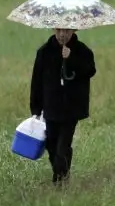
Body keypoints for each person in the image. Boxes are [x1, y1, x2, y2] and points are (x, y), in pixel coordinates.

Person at [30, 27, 96, 185]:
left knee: (61, 148)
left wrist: (71, 58)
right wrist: (35, 109)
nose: (62, 34)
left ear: (73, 30)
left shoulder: (83, 51)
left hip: (71, 109)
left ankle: (59, 182)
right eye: (59, 30)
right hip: (51, 108)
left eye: (66, 30)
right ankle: (63, 174)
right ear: (54, 29)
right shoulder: (44, 52)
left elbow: (90, 70)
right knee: (51, 146)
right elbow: (36, 82)